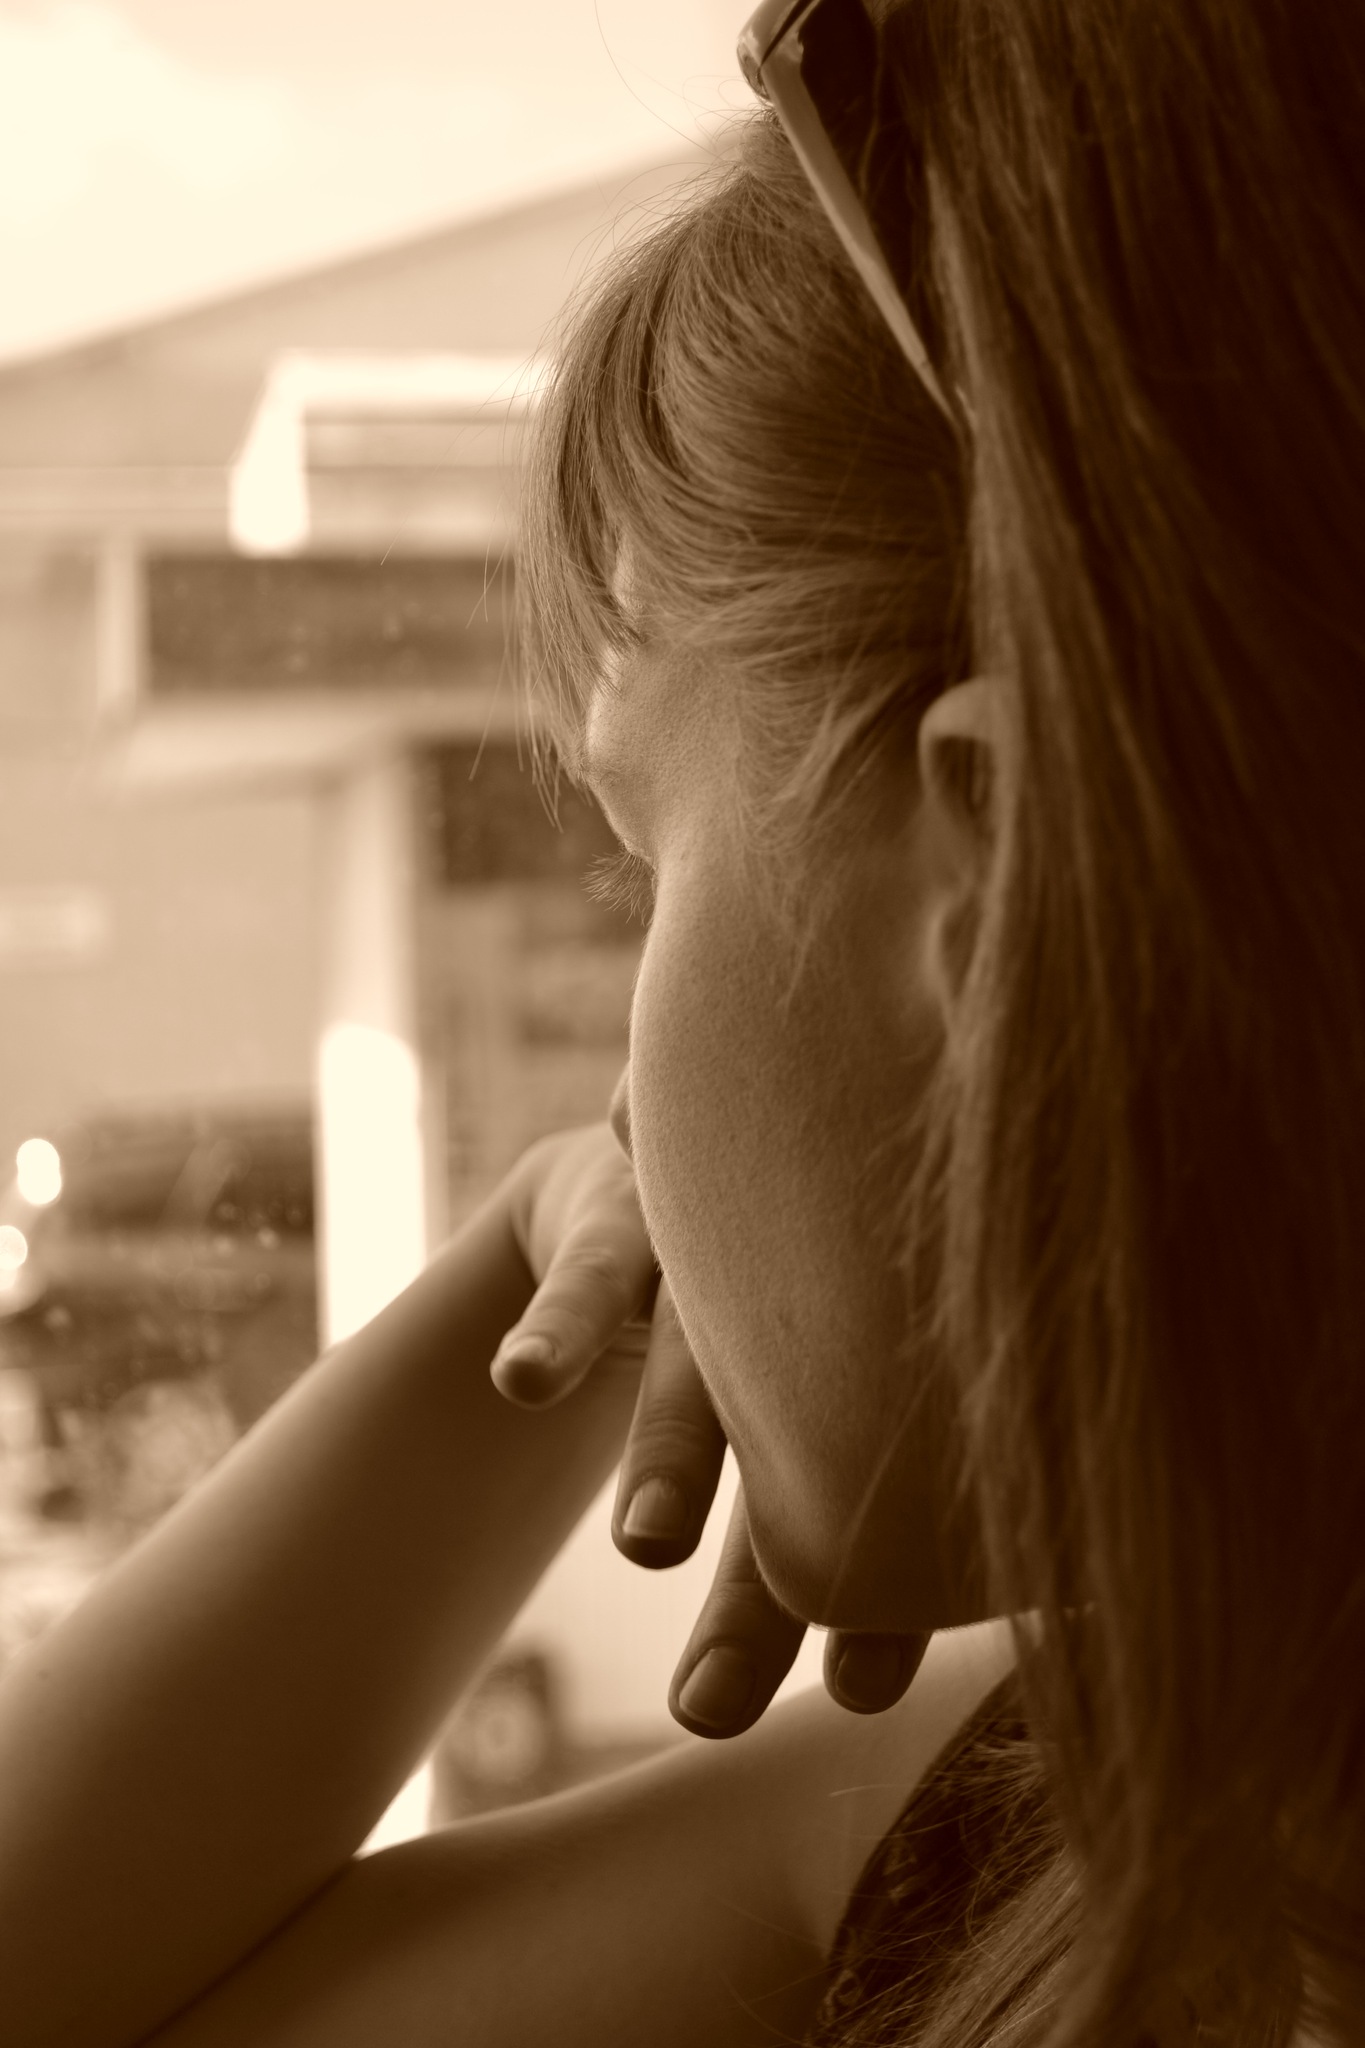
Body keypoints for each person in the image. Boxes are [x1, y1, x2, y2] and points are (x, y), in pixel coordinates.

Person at [2, 0, 1363, 2040]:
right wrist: (558, 1257)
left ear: (998, 899)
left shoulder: (1036, 1837)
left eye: (642, 862)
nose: (627, 1099)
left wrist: (517, 1320)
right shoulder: (1069, 1798)